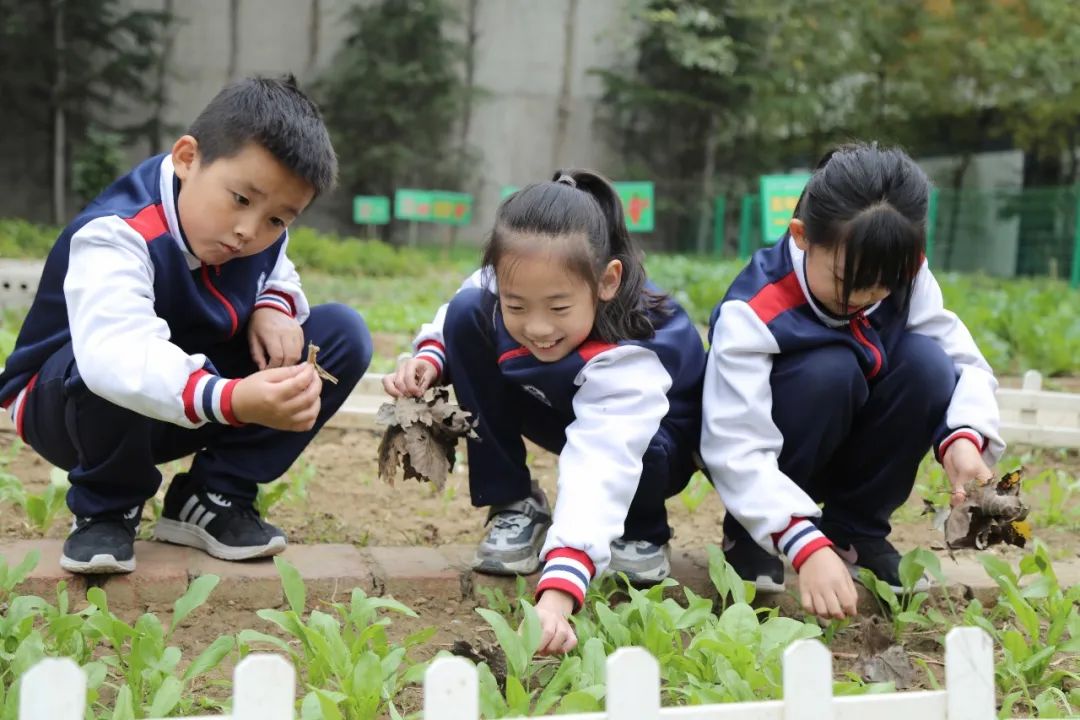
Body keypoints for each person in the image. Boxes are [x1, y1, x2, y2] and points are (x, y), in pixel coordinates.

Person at [0, 76, 372, 574]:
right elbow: (118, 356)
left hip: (182, 403)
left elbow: (277, 268)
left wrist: (274, 306)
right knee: (109, 366)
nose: (249, 231)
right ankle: (108, 507)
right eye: (241, 199)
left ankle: (212, 496)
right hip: (70, 409)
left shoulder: (252, 234)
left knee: (339, 334)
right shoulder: (119, 232)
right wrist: (233, 400)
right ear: (187, 158)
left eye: (278, 219)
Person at [384, 170, 705, 654]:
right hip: (564, 404)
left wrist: (559, 589)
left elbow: (603, 458)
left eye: (558, 308)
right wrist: (430, 359)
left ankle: (642, 530)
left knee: (645, 452)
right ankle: (515, 504)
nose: (535, 327)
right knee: (471, 313)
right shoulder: (515, 276)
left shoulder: (638, 348)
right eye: (516, 306)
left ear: (606, 281)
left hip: (651, 447)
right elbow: (460, 307)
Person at [700, 143, 1004, 620]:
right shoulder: (755, 310)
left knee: (927, 365)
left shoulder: (900, 270)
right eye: (847, 279)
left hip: (857, 443)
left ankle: (855, 531)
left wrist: (964, 437)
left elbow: (963, 362)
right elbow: (733, 443)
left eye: (882, 284)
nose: (864, 296)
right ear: (801, 236)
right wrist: (801, 541)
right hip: (778, 458)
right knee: (830, 370)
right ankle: (753, 531)